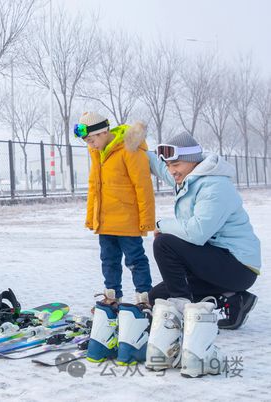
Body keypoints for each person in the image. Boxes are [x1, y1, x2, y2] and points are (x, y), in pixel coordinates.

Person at [146, 132, 261, 330]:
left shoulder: (214, 185)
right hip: (216, 262)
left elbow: (198, 232)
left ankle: (182, 307)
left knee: (164, 242)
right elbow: (159, 166)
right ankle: (236, 299)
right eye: (169, 166)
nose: (171, 171)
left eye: (176, 165)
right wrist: (132, 145)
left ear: (192, 161)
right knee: (156, 297)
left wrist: (160, 224)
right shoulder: (190, 178)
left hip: (238, 266)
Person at [75, 112, 156, 365]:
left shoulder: (129, 150)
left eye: (91, 140)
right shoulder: (97, 154)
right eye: (87, 142)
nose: (90, 145)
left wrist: (147, 220)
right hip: (105, 223)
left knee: (135, 260)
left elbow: (143, 186)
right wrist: (92, 218)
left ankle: (143, 300)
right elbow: (93, 188)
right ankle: (112, 297)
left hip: (128, 222)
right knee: (108, 260)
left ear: (102, 132)